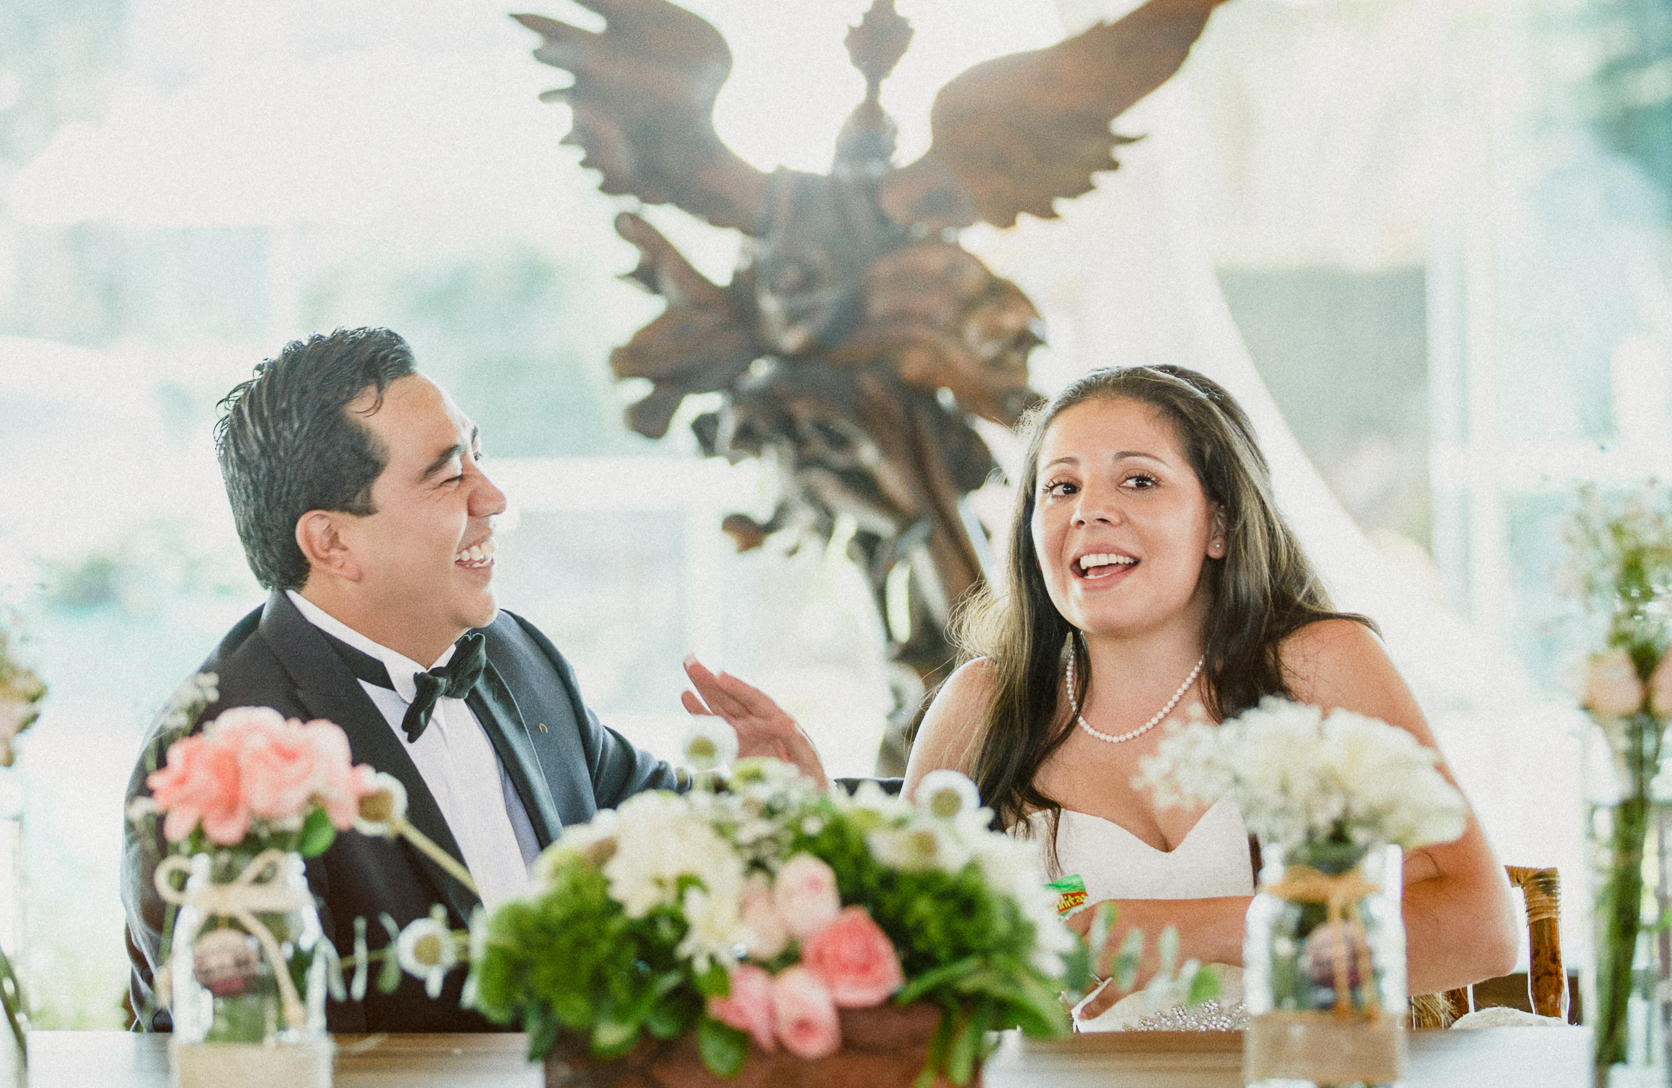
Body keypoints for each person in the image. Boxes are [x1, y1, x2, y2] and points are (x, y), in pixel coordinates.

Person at [121, 327, 820, 1032]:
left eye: (477, 456)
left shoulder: (515, 653)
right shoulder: (217, 756)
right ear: (332, 542)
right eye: (449, 475)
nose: (493, 497)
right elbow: (239, 1043)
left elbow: (640, 814)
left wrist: (760, 800)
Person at [903, 364, 1517, 1029]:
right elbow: (895, 971)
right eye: (1061, 487)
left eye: (1138, 480)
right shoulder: (982, 705)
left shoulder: (1320, 665)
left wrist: (1202, 929)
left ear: (1218, 525)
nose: (1089, 510)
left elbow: (1483, 928)